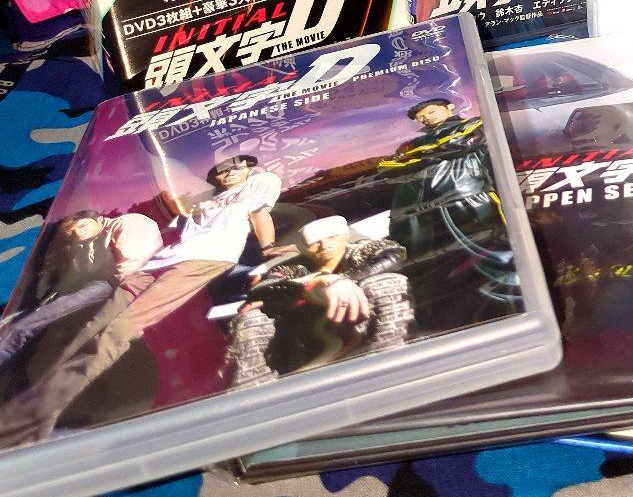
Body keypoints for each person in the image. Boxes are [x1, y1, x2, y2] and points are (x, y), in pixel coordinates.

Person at [0, 154, 284, 447]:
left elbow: (259, 214)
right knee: (91, 327)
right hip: (164, 260)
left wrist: (269, 247)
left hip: (205, 258)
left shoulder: (262, 181)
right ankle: (29, 398)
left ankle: (18, 424)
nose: (227, 173)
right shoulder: (214, 198)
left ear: (249, 167)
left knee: (117, 332)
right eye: (220, 171)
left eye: (234, 166)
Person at [378, 99, 520, 332]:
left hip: (472, 202)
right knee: (439, 269)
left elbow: (461, 142)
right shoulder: (414, 144)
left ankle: (514, 309)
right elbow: (387, 167)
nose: (427, 117)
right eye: (421, 117)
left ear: (450, 107)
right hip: (425, 214)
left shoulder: (473, 125)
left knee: (496, 256)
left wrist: (415, 159)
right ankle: (452, 322)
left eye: (431, 111)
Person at [226, 216, 413, 389]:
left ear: (345, 235)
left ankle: (390, 349)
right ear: (302, 246)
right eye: (314, 242)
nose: (324, 245)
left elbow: (393, 257)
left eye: (331, 237)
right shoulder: (292, 267)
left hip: (377, 350)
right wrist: (315, 283)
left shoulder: (368, 250)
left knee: (387, 282)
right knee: (253, 317)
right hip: (303, 356)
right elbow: (265, 287)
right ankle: (255, 383)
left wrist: (345, 280)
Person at [0, 210, 162, 370]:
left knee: (22, 328)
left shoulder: (126, 224)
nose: (77, 232)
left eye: (81, 225)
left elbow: (130, 268)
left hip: (115, 289)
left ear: (95, 218)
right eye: (72, 234)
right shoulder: (90, 246)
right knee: (22, 322)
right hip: (104, 291)